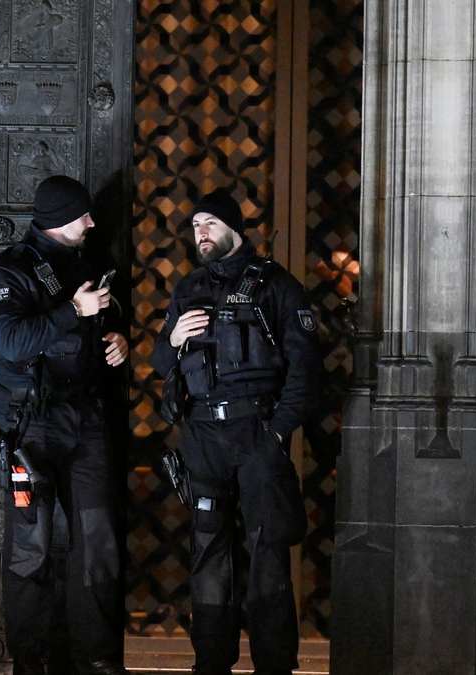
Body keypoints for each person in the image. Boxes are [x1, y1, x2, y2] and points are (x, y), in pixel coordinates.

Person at [151, 190, 323, 675]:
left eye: (210, 223)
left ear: (233, 228)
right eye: (195, 225)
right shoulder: (189, 287)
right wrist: (173, 339)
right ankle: (210, 664)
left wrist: (277, 434)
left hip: (257, 432)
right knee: (208, 551)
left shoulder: (276, 285)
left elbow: (307, 372)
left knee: (267, 552)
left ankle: (274, 666)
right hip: (203, 434)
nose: (201, 233)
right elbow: (162, 362)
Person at [0, 175, 130, 675]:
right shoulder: (7, 272)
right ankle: (30, 661)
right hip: (30, 427)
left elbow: (106, 319)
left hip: (87, 422)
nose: (92, 223)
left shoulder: (88, 264)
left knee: (99, 543)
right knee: (31, 547)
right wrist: (73, 310)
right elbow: (13, 342)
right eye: (83, 215)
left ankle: (97, 659)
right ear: (61, 218)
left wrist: (118, 339)